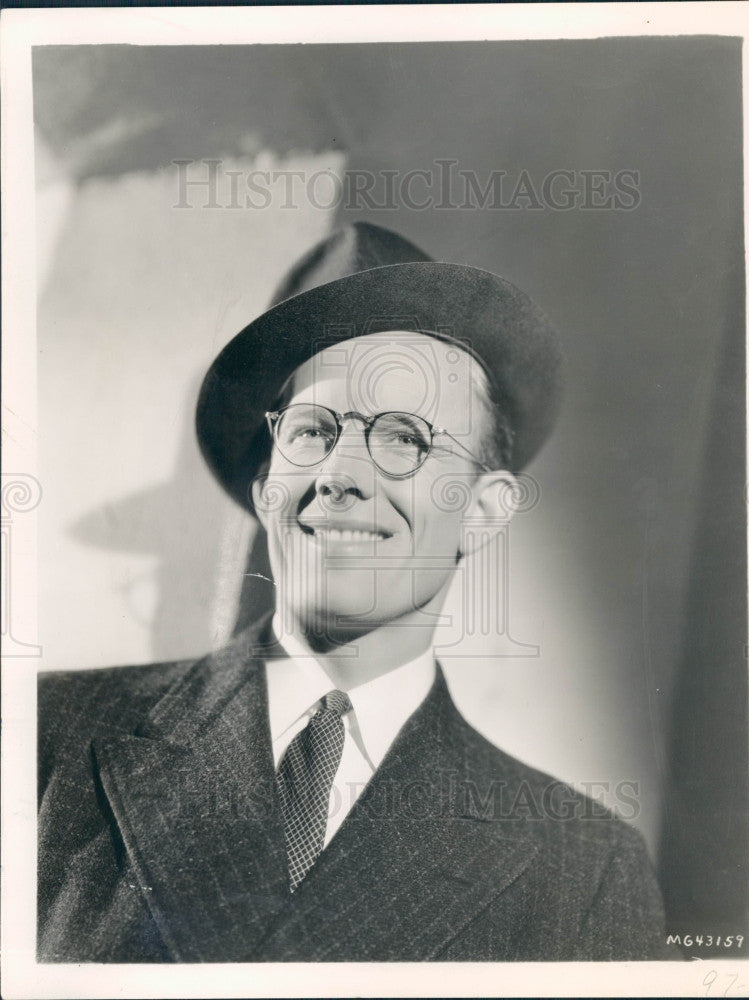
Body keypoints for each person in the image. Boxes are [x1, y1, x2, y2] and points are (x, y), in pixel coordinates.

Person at [38, 223, 672, 962]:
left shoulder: (583, 868)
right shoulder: (44, 739)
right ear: (267, 485)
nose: (338, 474)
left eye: (403, 438)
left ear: (482, 508)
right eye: (311, 430)